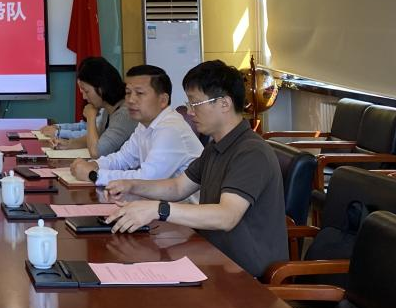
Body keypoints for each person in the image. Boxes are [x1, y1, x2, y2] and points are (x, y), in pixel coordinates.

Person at [102, 60, 288, 279]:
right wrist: (132, 186)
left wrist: (159, 209)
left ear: (224, 104)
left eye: (195, 103)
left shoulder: (251, 152)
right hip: (213, 256)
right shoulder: (216, 147)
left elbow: (226, 216)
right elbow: (178, 187)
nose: (189, 112)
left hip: (244, 274)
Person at [70, 64, 203, 187]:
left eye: (139, 93)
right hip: (158, 201)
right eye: (128, 93)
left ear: (163, 100)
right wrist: (94, 164)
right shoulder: (144, 124)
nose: (131, 100)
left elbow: (147, 179)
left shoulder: (170, 129)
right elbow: (122, 159)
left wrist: (95, 175)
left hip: (186, 204)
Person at [41, 57, 135, 157]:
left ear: (101, 88)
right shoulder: (108, 109)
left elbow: (97, 152)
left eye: (87, 91)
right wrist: (69, 144)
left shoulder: (124, 114)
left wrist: (91, 117)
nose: (84, 97)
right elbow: (98, 137)